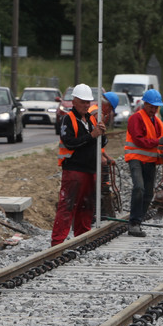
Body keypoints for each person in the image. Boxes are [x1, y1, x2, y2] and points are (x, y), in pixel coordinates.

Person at [52, 83, 106, 246]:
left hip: (90, 170)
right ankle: (58, 243)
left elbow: (100, 143)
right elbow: (70, 143)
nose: (86, 105)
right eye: (83, 102)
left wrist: (101, 134)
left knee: (86, 207)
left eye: (88, 102)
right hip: (74, 171)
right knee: (67, 206)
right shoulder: (68, 119)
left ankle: (82, 239)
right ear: (74, 101)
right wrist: (92, 135)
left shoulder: (90, 119)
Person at [124, 88, 163, 237]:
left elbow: (162, 142)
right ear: (145, 104)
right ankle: (134, 223)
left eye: (156, 107)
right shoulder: (136, 118)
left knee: (148, 194)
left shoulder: (157, 122)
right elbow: (139, 140)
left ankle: (138, 221)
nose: (154, 110)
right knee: (139, 188)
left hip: (150, 161)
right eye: (151, 106)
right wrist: (158, 142)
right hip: (136, 158)